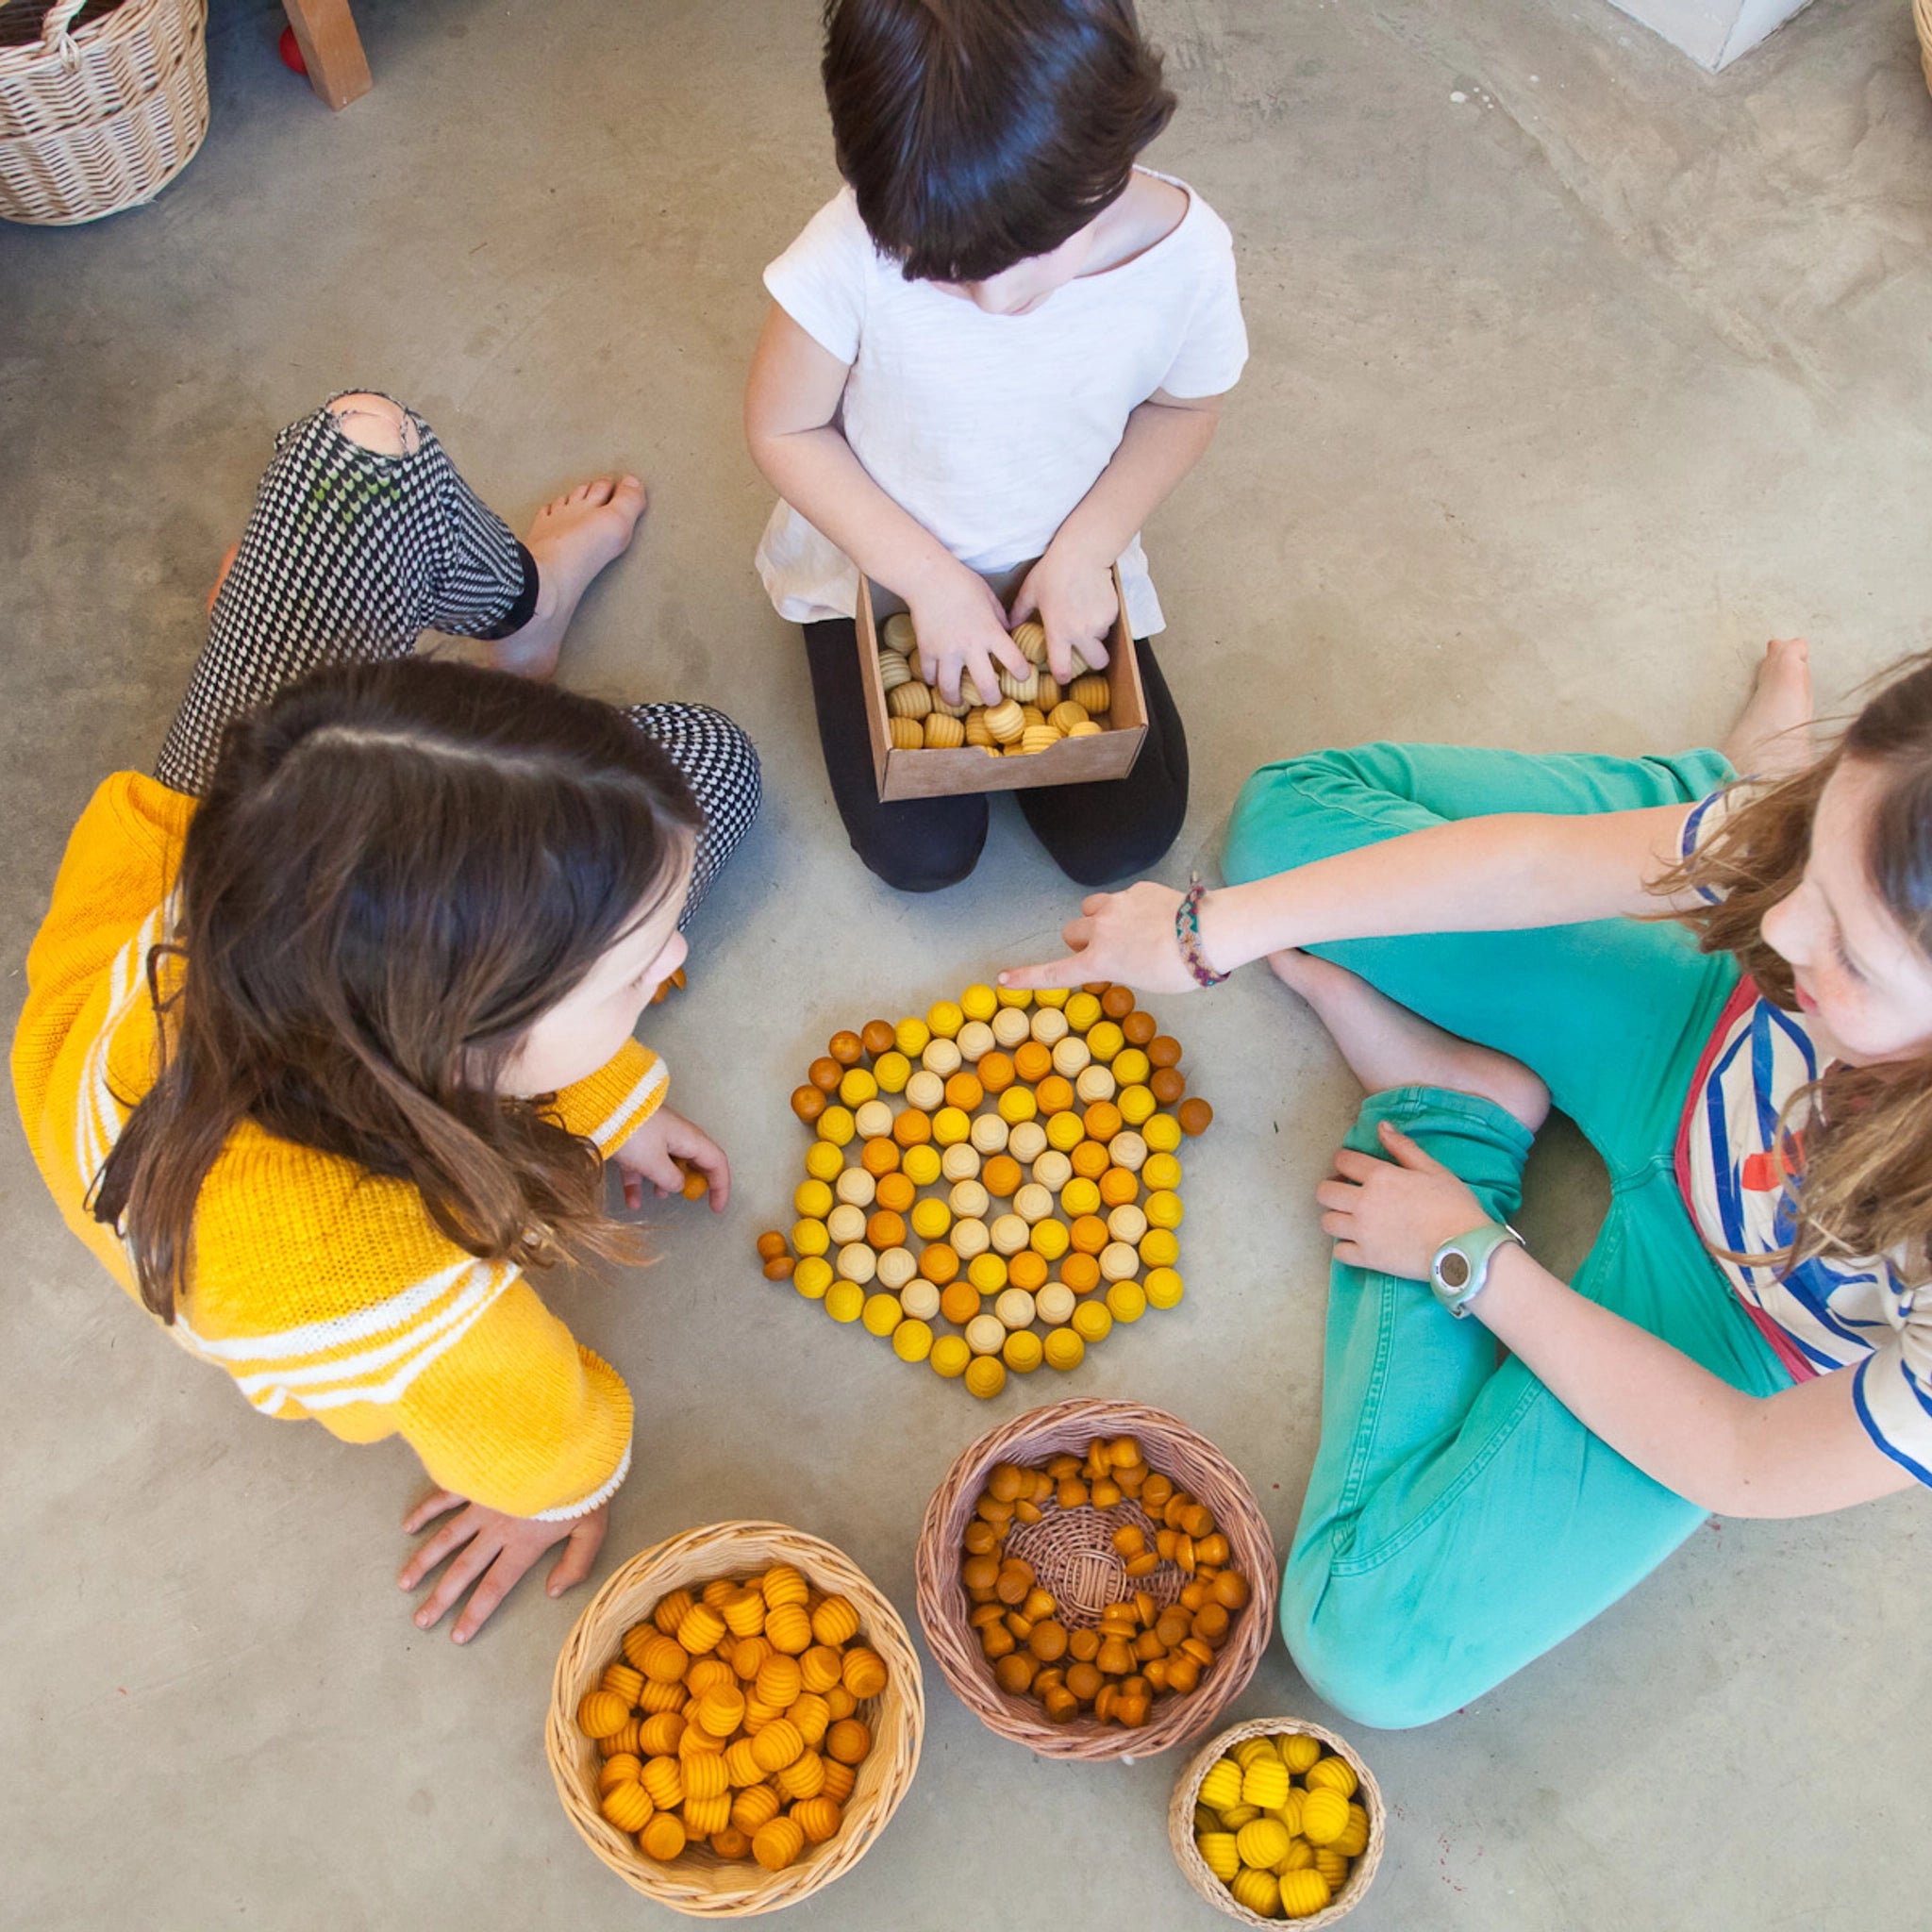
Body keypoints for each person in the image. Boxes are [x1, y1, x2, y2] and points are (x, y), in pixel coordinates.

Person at [1000, 639, 1929, 1725]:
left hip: (1741, 1321)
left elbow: (1745, 1458)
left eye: (1852, 956)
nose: (1780, 924)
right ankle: (1706, 796)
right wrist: (1207, 934)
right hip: (1692, 1025)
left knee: (1366, 1647)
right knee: (1278, 832)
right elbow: (1535, 865)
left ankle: (1458, 1109)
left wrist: (1469, 1257)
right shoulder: (1802, 899)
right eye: (1809, 860)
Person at [14, 393, 761, 1644]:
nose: (672, 959)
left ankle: (518, 628)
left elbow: (477, 1024)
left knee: (360, 443)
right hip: (285, 818)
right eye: (636, 974)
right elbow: (533, 1432)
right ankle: (421, 655)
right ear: (470, 1060)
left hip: (232, 826)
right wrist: (548, 1499)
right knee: (713, 760)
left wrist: (603, 1086)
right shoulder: (379, 1276)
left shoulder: (311, 964)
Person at [744, 0, 1246, 892]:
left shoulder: (1188, 256)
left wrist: (1086, 553)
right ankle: (841, 636)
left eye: (1030, 255)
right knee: (922, 855)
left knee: (1126, 839)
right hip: (880, 565)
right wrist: (930, 583)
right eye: (939, 266)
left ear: (1113, 157)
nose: (990, 298)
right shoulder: (851, 248)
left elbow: (1183, 409)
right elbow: (785, 425)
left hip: (1065, 559)